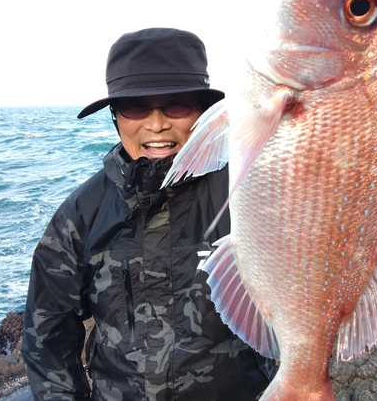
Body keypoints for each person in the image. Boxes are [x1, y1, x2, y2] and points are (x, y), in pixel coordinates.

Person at [21, 27, 273, 400]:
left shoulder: (248, 192)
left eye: (177, 106)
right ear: (116, 117)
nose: (156, 125)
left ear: (203, 113)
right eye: (136, 107)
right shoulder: (80, 214)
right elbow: (47, 336)